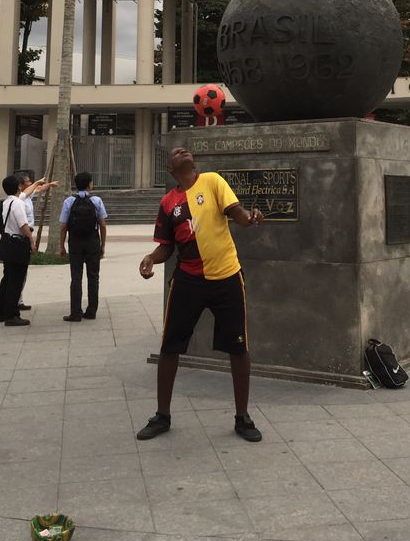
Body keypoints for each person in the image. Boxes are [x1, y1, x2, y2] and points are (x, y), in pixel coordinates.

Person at [137, 146, 264, 442]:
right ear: (170, 168)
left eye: (186, 150)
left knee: (238, 346)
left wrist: (251, 218)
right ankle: (162, 416)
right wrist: (150, 259)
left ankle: (242, 417)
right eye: (175, 152)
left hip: (227, 277)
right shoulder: (168, 203)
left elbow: (239, 215)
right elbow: (166, 246)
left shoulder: (213, 181)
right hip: (188, 281)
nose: (182, 151)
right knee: (170, 345)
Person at [59, 171, 108, 322]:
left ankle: (75, 312)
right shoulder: (97, 200)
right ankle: (91, 310)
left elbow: (63, 226)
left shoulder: (69, 201)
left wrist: (62, 246)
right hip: (92, 240)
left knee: (76, 276)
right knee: (93, 276)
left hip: (75, 242)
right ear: (89, 185)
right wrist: (102, 245)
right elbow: (102, 225)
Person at [0, 174, 35, 327]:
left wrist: (37, 184)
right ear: (18, 186)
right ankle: (12, 314)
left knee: (7, 278)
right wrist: (31, 240)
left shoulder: (7, 202)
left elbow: (27, 192)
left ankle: (0, 311)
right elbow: (23, 225)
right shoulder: (18, 203)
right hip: (18, 243)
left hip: (8, 243)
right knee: (16, 280)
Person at [15, 172, 57, 312]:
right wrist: (37, 182)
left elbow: (37, 190)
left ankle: (18, 300)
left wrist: (49, 185)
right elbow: (30, 190)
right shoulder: (20, 197)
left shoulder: (27, 196)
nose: (30, 183)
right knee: (18, 271)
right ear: (20, 185)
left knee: (23, 272)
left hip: (27, 234)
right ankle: (15, 301)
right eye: (27, 181)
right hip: (22, 236)